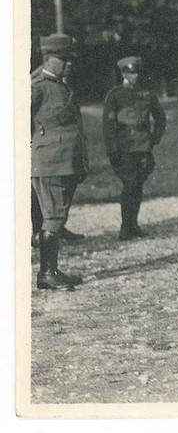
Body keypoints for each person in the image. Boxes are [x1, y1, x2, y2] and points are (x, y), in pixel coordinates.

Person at [31, 34, 87, 290]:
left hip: (65, 161)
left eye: (69, 59)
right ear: (47, 58)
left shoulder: (62, 86)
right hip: (50, 161)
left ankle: (51, 270)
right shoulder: (36, 87)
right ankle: (46, 273)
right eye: (62, 59)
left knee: (58, 215)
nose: (69, 64)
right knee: (53, 216)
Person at [103, 56, 166, 240]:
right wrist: (112, 150)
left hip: (143, 147)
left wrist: (154, 138)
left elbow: (160, 119)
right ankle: (125, 227)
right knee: (130, 184)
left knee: (138, 185)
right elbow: (108, 125)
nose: (135, 76)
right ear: (123, 73)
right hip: (123, 147)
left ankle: (133, 224)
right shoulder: (115, 95)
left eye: (138, 72)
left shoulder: (147, 94)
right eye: (131, 72)